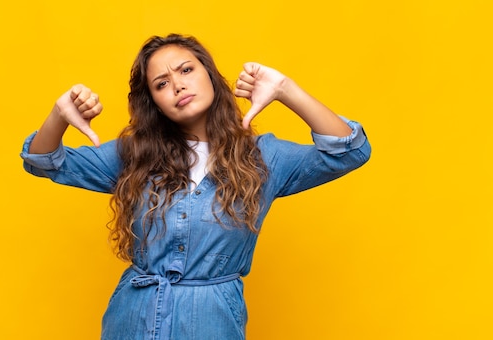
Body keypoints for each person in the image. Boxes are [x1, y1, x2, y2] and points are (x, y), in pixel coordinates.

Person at [20, 33, 371, 340]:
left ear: (210, 76)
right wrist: (59, 115)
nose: (177, 85)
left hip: (211, 323)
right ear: (154, 103)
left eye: (186, 70)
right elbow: (43, 161)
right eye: (161, 83)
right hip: (132, 321)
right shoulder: (134, 156)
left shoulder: (264, 158)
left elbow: (350, 151)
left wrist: (285, 89)